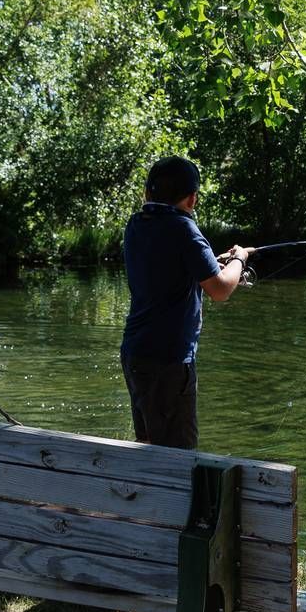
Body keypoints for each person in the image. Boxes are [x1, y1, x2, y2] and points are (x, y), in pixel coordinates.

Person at [119, 157, 253, 448]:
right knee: (178, 456)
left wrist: (210, 264)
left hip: (135, 353)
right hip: (168, 360)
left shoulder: (136, 225)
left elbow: (168, 268)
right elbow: (219, 290)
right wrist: (239, 260)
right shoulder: (183, 229)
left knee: (147, 444)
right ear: (192, 198)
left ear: (148, 193)